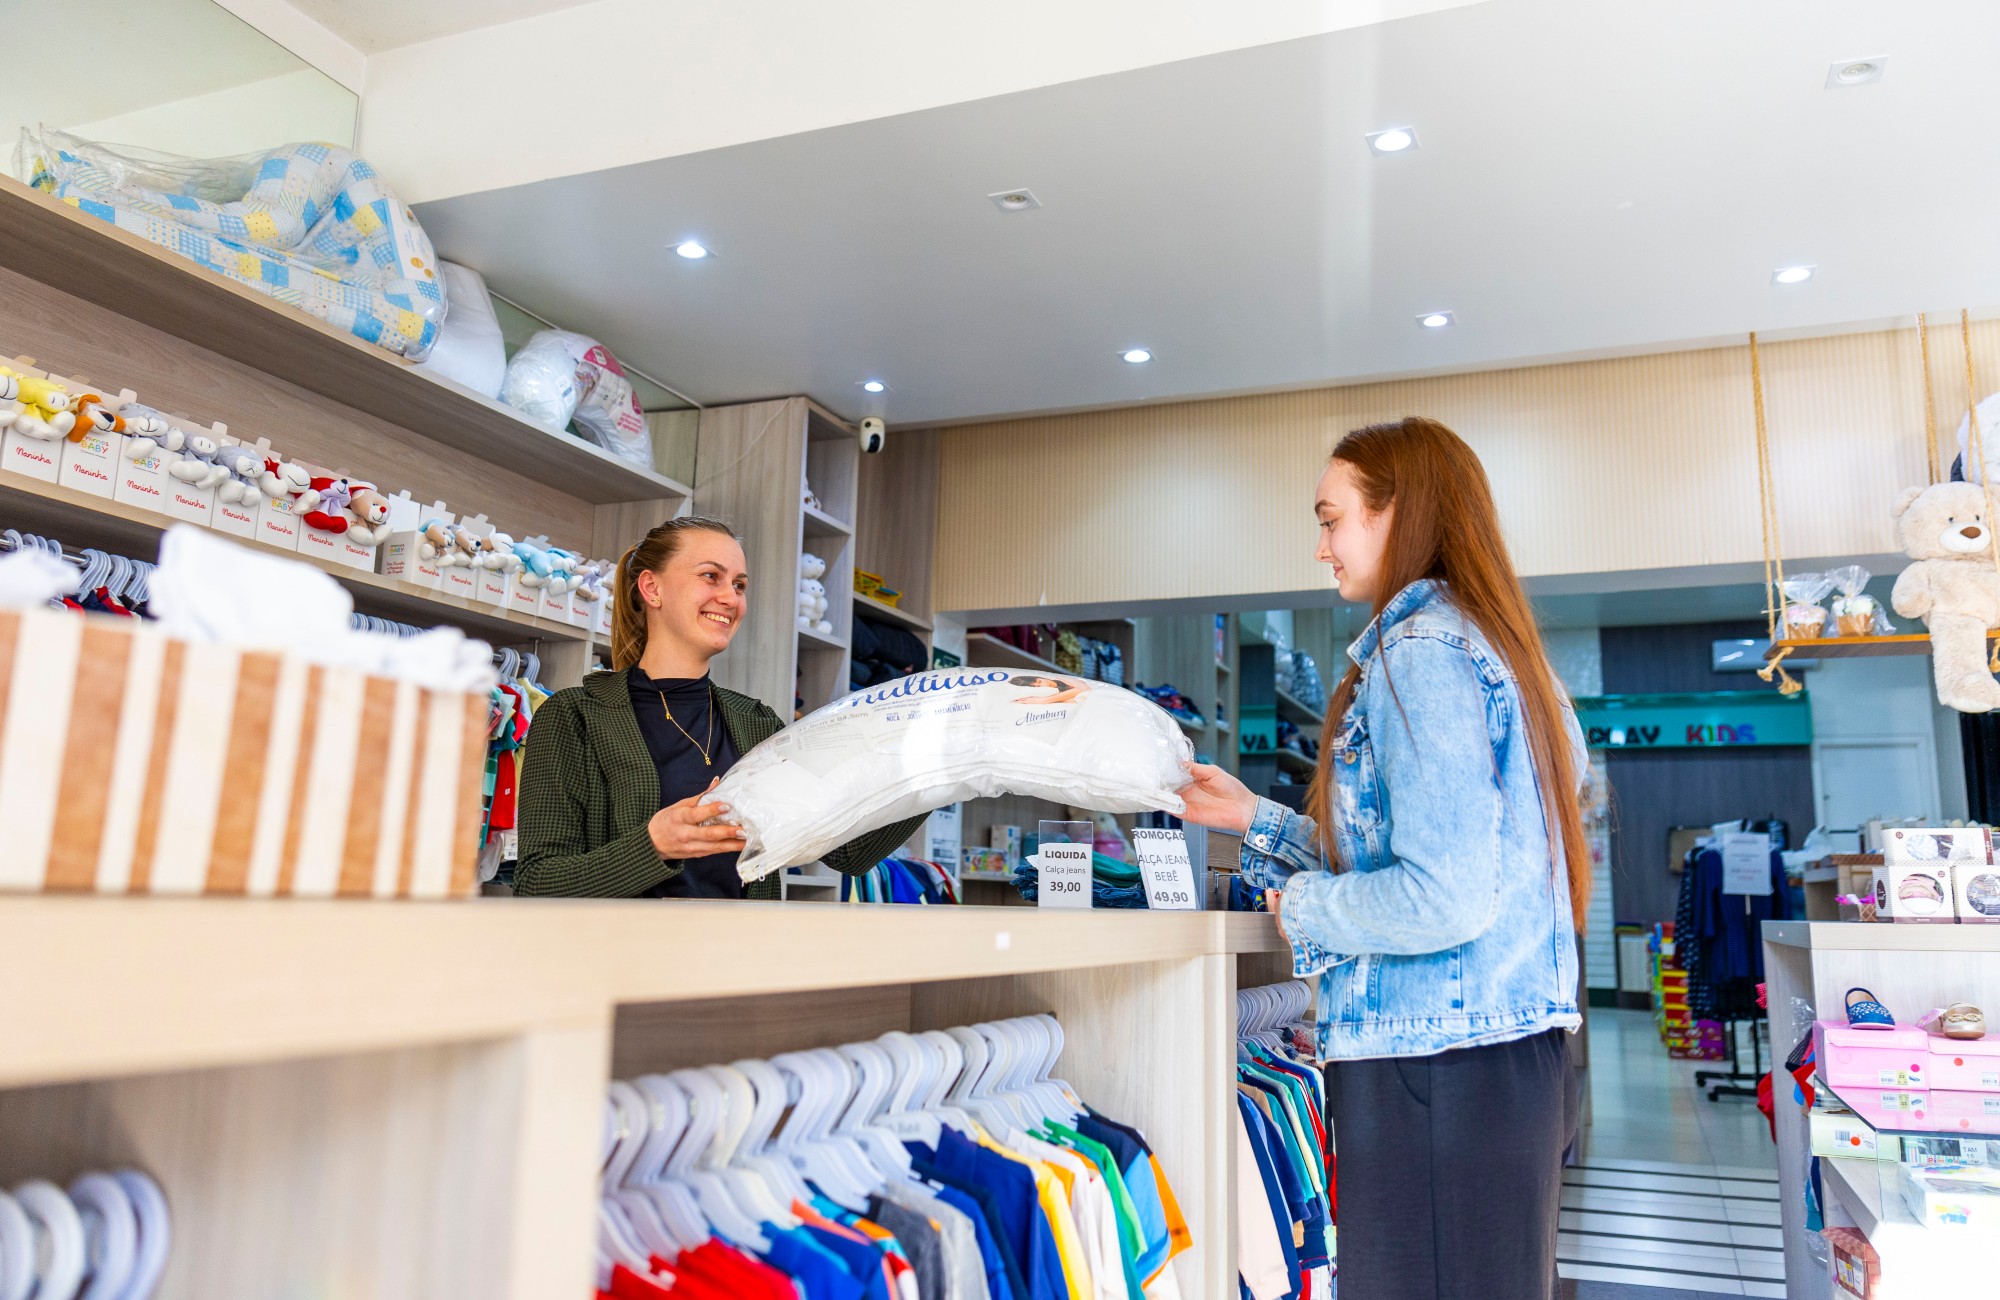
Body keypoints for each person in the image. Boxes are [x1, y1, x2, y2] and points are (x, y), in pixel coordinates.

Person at [1178, 417, 1588, 1300]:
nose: (1320, 547)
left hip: (1433, 1069)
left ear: (1399, 511)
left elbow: (1442, 896)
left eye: (1331, 519)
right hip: (1498, 1064)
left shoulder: (1421, 653)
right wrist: (1253, 818)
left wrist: (1305, 909)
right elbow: (1418, 857)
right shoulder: (1502, 651)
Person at [516, 517, 925, 898]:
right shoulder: (575, 716)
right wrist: (654, 845)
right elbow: (536, 883)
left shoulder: (758, 724)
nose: (731, 598)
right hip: (628, 951)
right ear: (652, 588)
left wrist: (935, 766)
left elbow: (848, 853)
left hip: (744, 949)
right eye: (711, 576)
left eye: (740, 585)